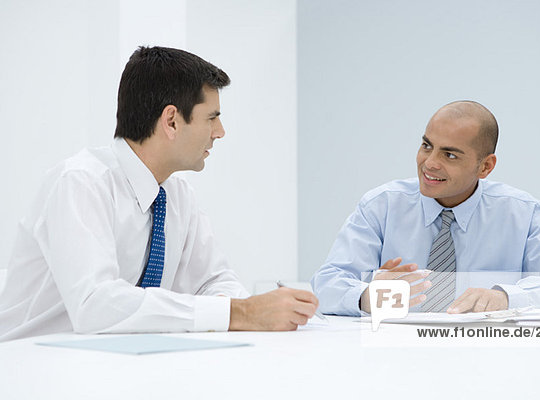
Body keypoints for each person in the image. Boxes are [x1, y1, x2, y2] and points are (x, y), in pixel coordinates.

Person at [0, 46, 317, 341]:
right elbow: (94, 305)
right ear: (172, 121)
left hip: (115, 363)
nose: (220, 132)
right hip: (33, 365)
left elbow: (213, 280)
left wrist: (247, 309)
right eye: (212, 118)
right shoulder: (80, 183)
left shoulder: (176, 193)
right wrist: (239, 313)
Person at [311, 100, 540, 316]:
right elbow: (326, 285)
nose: (430, 163)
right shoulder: (381, 206)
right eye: (427, 146)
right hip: (395, 358)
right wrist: (368, 296)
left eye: (449, 154)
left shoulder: (524, 215)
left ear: (485, 166)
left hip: (490, 360)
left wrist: (507, 298)